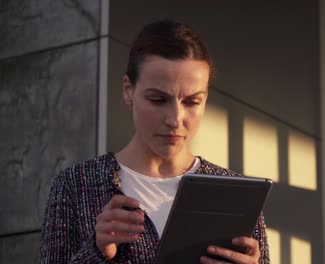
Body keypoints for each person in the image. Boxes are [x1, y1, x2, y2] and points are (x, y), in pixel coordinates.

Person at [39, 19, 270, 263]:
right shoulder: (77, 186)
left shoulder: (237, 195)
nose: (175, 119)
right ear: (128, 90)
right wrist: (97, 253)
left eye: (192, 102)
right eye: (158, 100)